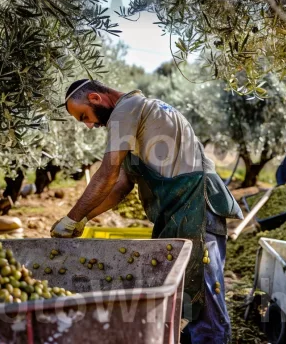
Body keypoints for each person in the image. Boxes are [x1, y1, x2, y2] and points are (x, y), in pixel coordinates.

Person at [50, 79, 243, 343]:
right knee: (186, 293)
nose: (89, 125)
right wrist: (84, 217)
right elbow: (120, 186)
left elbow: (108, 173)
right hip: (181, 208)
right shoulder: (139, 115)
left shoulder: (126, 109)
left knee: (206, 298)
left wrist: (70, 218)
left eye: (84, 116)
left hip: (197, 206)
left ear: (96, 98)